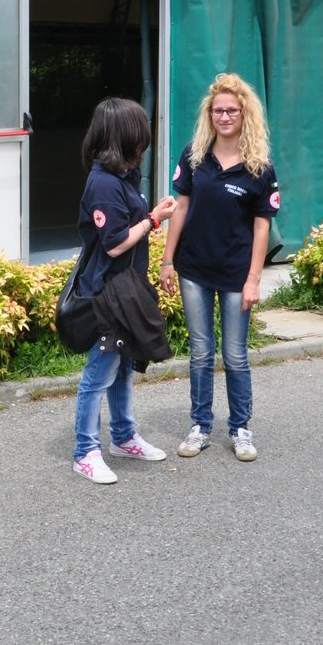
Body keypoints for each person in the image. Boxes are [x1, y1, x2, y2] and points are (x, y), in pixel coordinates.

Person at [160, 73, 280, 461]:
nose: (224, 117)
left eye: (232, 110)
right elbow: (181, 208)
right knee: (199, 352)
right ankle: (200, 426)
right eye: (218, 111)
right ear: (209, 115)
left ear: (245, 115)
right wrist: (167, 261)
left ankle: (241, 429)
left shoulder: (259, 166)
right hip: (194, 268)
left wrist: (253, 280)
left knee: (235, 355)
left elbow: (262, 226)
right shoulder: (194, 155)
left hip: (235, 274)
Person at [71, 97, 177, 484]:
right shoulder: (102, 183)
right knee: (98, 374)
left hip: (127, 287)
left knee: (122, 368)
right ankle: (85, 451)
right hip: (108, 292)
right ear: (123, 137)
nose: (143, 145)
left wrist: (151, 216)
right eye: (139, 136)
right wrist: (153, 218)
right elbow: (114, 243)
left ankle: (123, 437)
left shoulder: (121, 178)